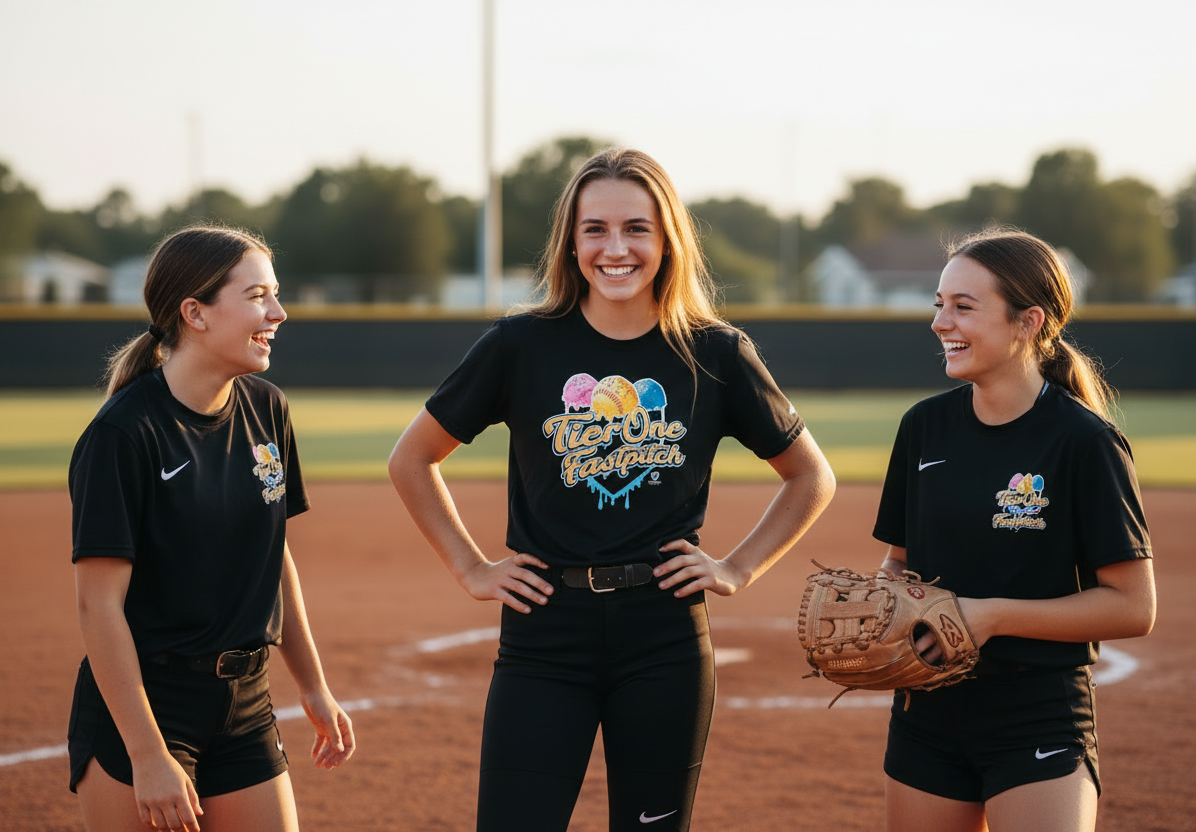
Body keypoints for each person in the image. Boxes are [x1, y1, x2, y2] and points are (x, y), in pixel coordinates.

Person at [388, 148, 835, 831]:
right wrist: (471, 567)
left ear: (666, 240)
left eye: (637, 229)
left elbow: (811, 475)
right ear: (571, 240)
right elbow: (412, 458)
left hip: (664, 631)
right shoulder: (521, 345)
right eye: (595, 228)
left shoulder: (713, 353)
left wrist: (736, 567)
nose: (615, 248)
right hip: (545, 632)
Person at [67, 226, 355, 832]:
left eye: (275, 294)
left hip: (245, 704)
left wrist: (314, 687)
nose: (278, 312)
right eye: (257, 296)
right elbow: (99, 607)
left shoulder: (267, 407)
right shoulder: (124, 435)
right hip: (145, 708)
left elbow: (274, 560)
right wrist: (149, 755)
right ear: (194, 312)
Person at [872, 229, 1156, 832]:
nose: (939, 322)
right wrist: (885, 608)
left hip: (1037, 714)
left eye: (963, 306)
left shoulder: (1084, 442)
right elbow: (898, 562)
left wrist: (991, 616)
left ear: (1028, 322)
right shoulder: (923, 428)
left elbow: (1133, 607)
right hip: (926, 711)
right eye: (938, 304)